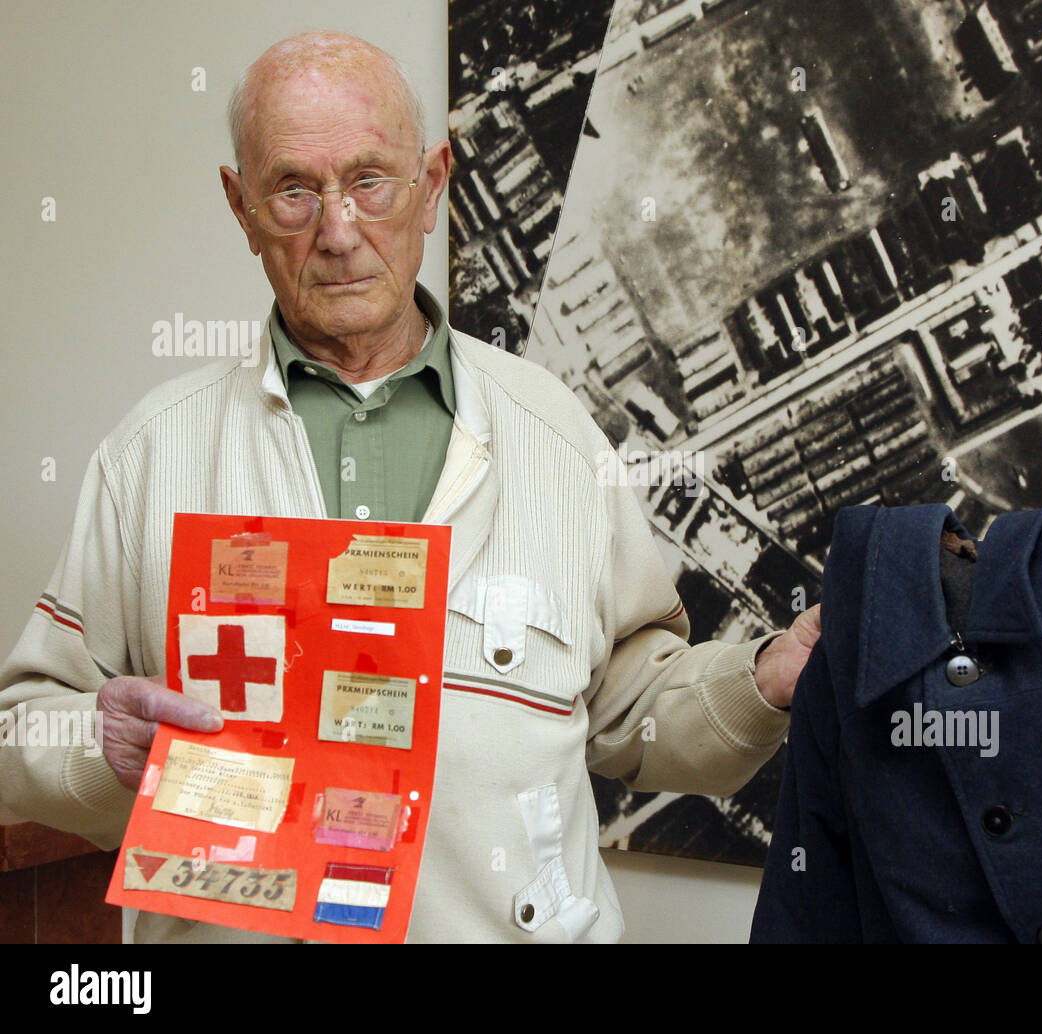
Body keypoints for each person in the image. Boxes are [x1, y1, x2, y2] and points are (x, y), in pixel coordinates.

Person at [0, 31, 820, 943]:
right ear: (240, 207)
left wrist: (763, 682)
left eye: (371, 181)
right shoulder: (149, 457)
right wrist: (95, 744)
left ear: (433, 186)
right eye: (294, 190)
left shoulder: (556, 436)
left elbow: (632, 708)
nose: (339, 230)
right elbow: (18, 732)